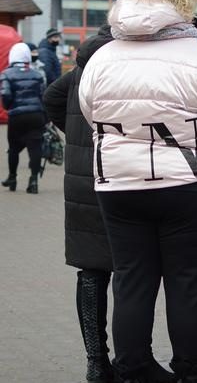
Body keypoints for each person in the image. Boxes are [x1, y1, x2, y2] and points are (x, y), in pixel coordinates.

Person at [78, 0, 197, 383]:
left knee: (131, 281)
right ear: (184, 2)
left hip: (119, 183)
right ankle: (191, 373)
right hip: (190, 184)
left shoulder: (103, 57)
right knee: (187, 285)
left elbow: (90, 113)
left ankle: (132, 369)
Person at [43, 25, 117, 383]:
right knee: (131, 271)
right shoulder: (122, 63)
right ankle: (131, 357)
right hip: (119, 174)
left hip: (81, 179)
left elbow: (51, 98)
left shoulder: (81, 69)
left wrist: (75, 136)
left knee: (91, 271)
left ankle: (96, 362)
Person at [0, 43, 47, 193]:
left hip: (17, 116)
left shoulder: (6, 74)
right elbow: (44, 95)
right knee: (35, 148)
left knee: (13, 148)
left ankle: (12, 178)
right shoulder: (37, 74)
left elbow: (5, 94)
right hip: (36, 115)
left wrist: (8, 106)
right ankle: (33, 181)